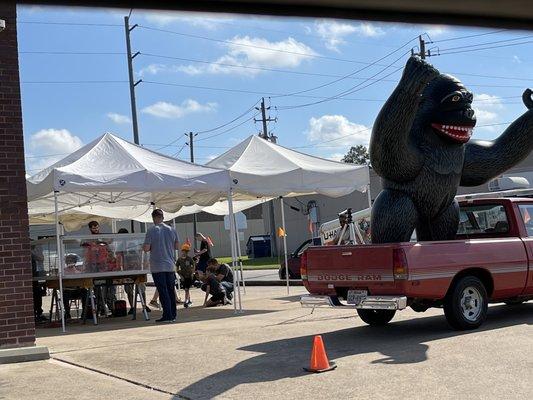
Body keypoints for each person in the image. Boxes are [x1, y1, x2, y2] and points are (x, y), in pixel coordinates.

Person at [143, 209, 180, 323]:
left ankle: (167, 315)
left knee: (162, 291)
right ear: (163, 217)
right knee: (170, 290)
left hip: (157, 265)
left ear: (154, 218)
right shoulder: (172, 230)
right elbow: (177, 246)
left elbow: (146, 248)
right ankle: (173, 314)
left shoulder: (151, 230)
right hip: (170, 265)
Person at [116, 228, 151, 315]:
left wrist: (144, 264)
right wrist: (118, 269)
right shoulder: (120, 246)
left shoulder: (134, 243)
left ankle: (144, 305)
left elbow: (142, 253)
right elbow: (118, 256)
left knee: (141, 288)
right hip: (127, 270)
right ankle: (132, 307)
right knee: (129, 289)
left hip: (138, 269)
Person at [85, 221, 116, 316]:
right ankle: (100, 307)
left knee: (107, 287)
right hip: (93, 266)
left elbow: (109, 249)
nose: (96, 229)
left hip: (104, 266)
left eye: (97, 227)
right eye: (94, 228)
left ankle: (110, 307)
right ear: (90, 228)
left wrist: (110, 257)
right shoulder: (88, 239)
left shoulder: (103, 238)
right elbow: (85, 252)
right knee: (97, 289)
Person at [176, 243, 195, 308]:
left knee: (187, 289)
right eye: (184, 251)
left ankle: (186, 301)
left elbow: (193, 265)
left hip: (189, 276)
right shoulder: (179, 259)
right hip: (183, 276)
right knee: (186, 289)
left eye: (187, 251)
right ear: (182, 251)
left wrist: (192, 273)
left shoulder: (189, 259)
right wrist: (180, 275)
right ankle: (188, 300)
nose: (185, 253)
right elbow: (177, 268)